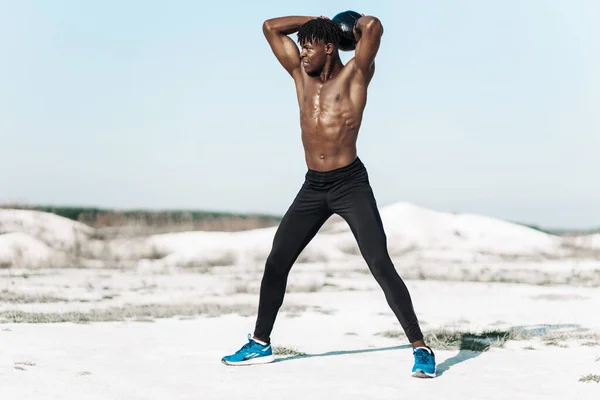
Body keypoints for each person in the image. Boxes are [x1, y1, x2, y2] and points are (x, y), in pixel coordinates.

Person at [221, 14, 436, 378]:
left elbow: (373, 27)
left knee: (380, 264)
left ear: (330, 46)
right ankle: (260, 342)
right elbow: (270, 27)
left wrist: (341, 27)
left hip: (350, 184)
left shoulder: (355, 75)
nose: (303, 53)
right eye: (301, 46)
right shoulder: (299, 77)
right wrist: (316, 21)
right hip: (313, 186)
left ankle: (420, 347)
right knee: (277, 261)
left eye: (310, 45)